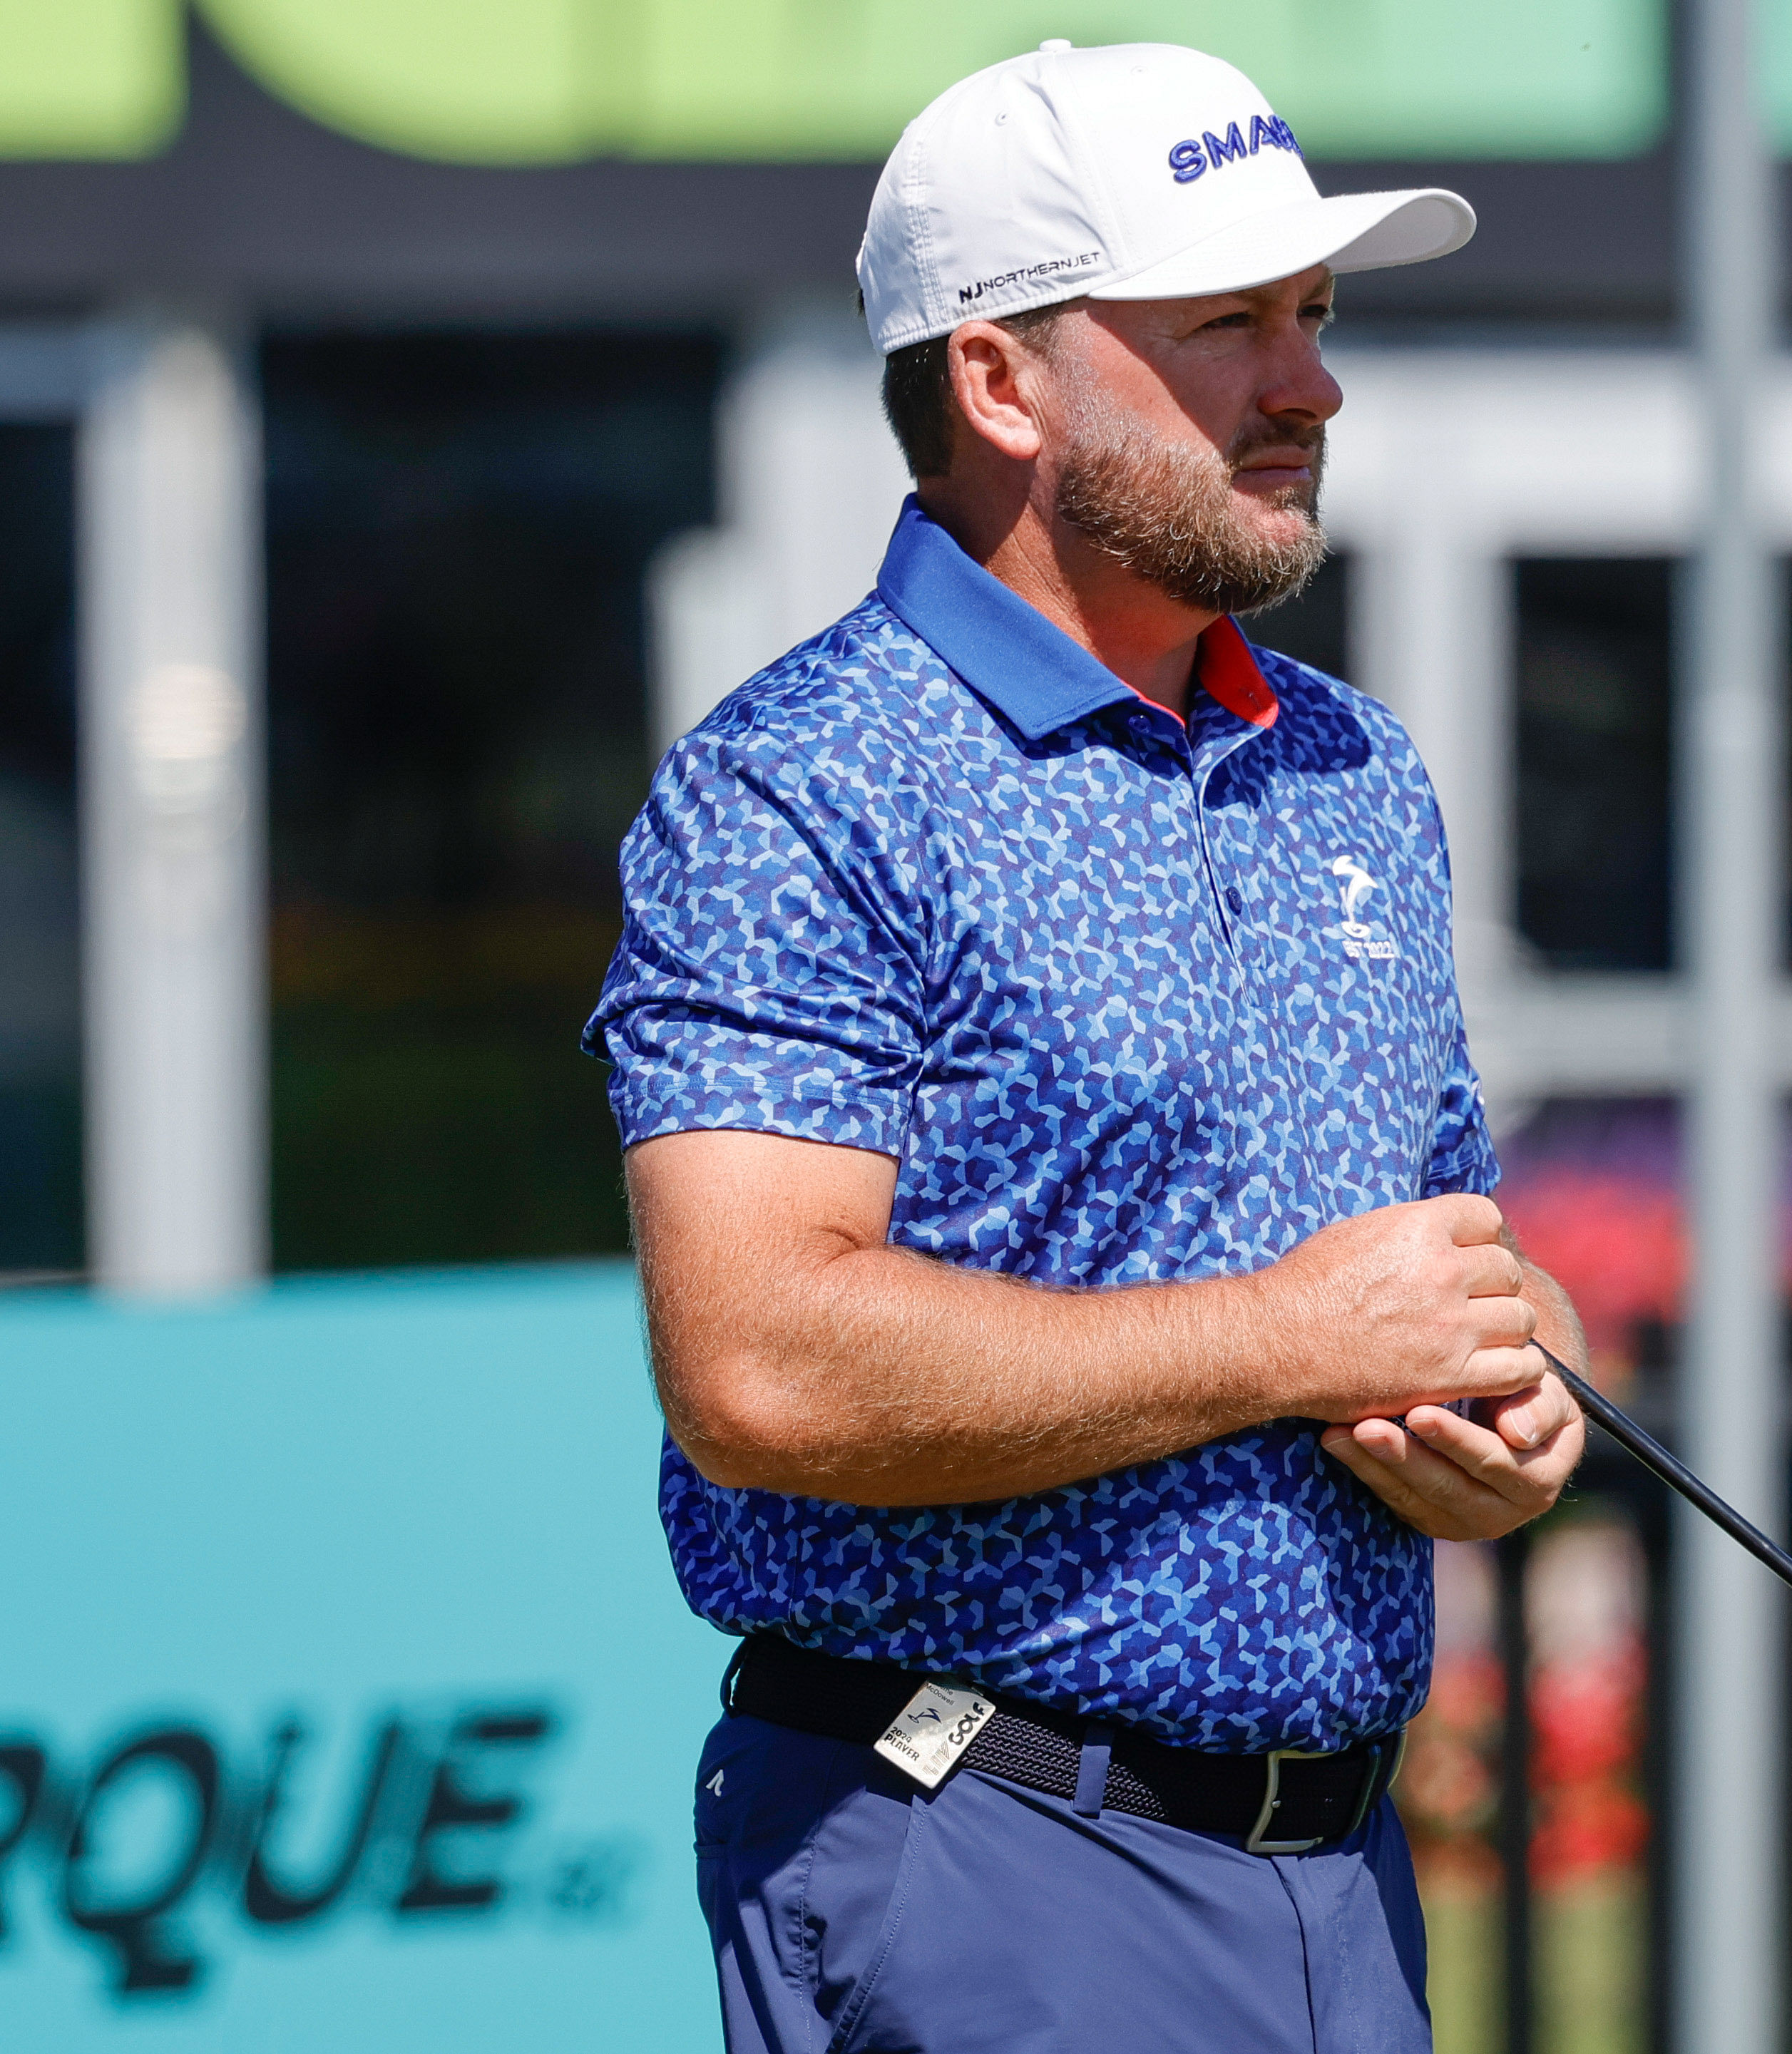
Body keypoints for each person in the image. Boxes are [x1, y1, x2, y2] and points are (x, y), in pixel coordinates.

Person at [582, 43, 1587, 2053]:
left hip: (1348, 1885)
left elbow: (1435, 1260)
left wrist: (1510, 1394)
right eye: (1224, 322)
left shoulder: (1350, 765)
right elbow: (758, 1363)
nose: (1306, 382)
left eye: (1311, 316)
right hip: (978, 1854)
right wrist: (1298, 1342)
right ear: (999, 380)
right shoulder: (802, 788)